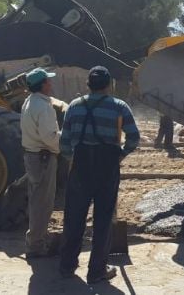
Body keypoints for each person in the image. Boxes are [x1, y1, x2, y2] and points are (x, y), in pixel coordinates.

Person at [58, 66, 140, 284]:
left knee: (74, 217)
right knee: (103, 220)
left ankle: (67, 266)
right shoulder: (119, 107)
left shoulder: (74, 107)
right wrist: (120, 156)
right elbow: (134, 137)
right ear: (109, 85)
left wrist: (72, 159)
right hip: (107, 166)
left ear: (88, 85)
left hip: (81, 166)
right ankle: (97, 272)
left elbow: (64, 144)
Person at [20, 68, 62, 258]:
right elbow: (49, 137)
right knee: (42, 202)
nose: (51, 84)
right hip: (43, 157)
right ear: (43, 84)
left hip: (33, 156)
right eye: (48, 81)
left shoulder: (29, 102)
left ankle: (39, 239)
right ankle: (36, 245)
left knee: (37, 199)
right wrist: (65, 142)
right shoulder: (44, 107)